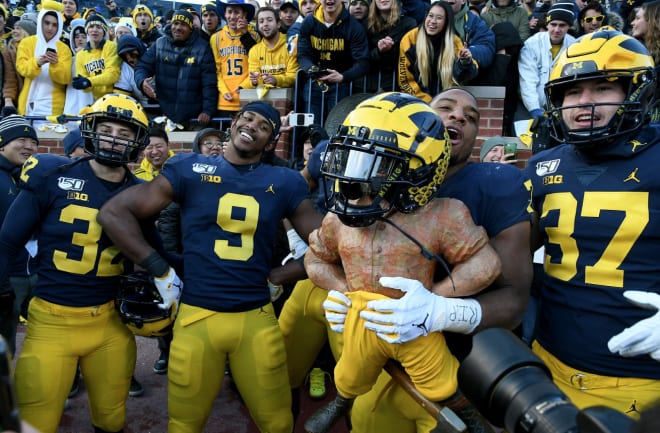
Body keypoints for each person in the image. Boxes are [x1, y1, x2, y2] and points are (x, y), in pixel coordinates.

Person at [97, 101, 323, 433]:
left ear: (272, 142)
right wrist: (160, 268)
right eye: (248, 118)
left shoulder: (285, 181)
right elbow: (113, 213)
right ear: (234, 122)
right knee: (184, 424)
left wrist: (282, 274)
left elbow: (327, 246)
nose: (252, 126)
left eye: (264, 126)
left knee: (277, 422)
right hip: (197, 317)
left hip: (255, 318)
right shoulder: (189, 168)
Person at [301, 92, 502, 433]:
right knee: (349, 374)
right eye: (353, 158)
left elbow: (486, 264)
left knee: (440, 379)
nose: (354, 176)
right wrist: (344, 291)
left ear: (420, 171)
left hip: (414, 327)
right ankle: (341, 402)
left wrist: (435, 303)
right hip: (362, 319)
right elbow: (316, 258)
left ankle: (469, 416)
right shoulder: (338, 218)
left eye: (376, 165)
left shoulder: (445, 215)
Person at [348, 87, 532, 433]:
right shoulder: (377, 177)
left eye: (471, 117)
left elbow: (513, 302)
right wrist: (345, 293)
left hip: (462, 370)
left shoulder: (497, 183)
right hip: (385, 362)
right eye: (445, 108)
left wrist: (439, 309)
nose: (459, 116)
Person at [525, 29, 660, 418]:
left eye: (602, 88)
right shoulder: (542, 166)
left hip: (638, 381)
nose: (583, 104)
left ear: (635, 93)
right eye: (572, 92)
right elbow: (510, 257)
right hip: (545, 366)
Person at [0, 93, 151, 433]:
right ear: (90, 130)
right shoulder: (51, 174)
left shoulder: (143, 192)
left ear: (137, 141)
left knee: (112, 418)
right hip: (51, 322)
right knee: (35, 422)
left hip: (110, 323)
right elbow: (7, 240)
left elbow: (153, 253)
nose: (114, 138)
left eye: (124, 133)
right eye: (107, 128)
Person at [135, 9, 218, 130]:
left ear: (191, 29)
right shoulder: (159, 44)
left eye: (183, 24)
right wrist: (142, 82)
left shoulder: (203, 47)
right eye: (175, 23)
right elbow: (142, 67)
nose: (178, 28)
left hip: (194, 118)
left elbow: (209, 83)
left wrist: (208, 110)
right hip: (164, 114)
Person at [0, 113, 38, 356]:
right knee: (4, 344)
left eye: (33, 141)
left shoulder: (29, 175)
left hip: (34, 272)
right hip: (6, 276)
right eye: (21, 140)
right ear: (2, 143)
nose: (29, 146)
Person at [296, 0, 369, 123]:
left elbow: (363, 62)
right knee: (311, 129)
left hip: (341, 84)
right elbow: (303, 55)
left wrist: (342, 77)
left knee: (337, 129)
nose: (330, 0)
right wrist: (313, 70)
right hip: (314, 82)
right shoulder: (308, 23)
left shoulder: (353, 26)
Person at [398, 1, 477, 102]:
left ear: (446, 22)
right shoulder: (410, 39)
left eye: (439, 18)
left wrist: (465, 62)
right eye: (430, 16)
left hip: (444, 103)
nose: (433, 21)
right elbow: (405, 81)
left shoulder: (455, 42)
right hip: (417, 103)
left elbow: (464, 77)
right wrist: (428, 102)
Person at [16, 0, 73, 121]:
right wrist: (36, 62)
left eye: (54, 24)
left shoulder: (64, 49)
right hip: (27, 104)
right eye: (46, 23)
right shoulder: (27, 43)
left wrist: (56, 65)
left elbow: (66, 78)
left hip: (53, 107)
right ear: (40, 22)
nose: (50, 28)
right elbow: (22, 68)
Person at [518, 2, 575, 120]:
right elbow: (528, 81)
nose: (556, 29)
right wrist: (535, 110)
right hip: (530, 106)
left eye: (562, 25)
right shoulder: (531, 44)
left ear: (569, 26)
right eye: (553, 24)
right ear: (547, 24)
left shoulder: (575, 46)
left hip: (562, 108)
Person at [211, 0, 259, 117]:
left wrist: (245, 34)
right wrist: (224, 90)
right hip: (224, 101)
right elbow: (216, 71)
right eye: (229, 12)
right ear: (225, 14)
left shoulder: (255, 35)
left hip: (248, 98)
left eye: (236, 12)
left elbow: (257, 63)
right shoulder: (216, 38)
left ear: (244, 14)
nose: (232, 16)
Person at [240, 6, 299, 90]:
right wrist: (253, 82)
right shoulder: (254, 50)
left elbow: (294, 77)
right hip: (264, 99)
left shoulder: (291, 44)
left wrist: (276, 80)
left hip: (290, 99)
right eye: (261, 21)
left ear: (278, 24)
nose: (265, 24)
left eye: (269, 20)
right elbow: (254, 78)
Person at [365, 0, 416, 92]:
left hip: (399, 85)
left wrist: (391, 49)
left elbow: (411, 56)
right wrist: (379, 51)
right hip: (370, 85)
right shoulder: (366, 25)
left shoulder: (409, 23)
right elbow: (363, 57)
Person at [72, 14, 121, 101]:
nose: (94, 30)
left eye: (98, 27)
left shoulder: (111, 46)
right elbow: (85, 86)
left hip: (115, 97)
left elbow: (113, 75)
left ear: (104, 31)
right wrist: (82, 84)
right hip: (96, 101)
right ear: (87, 31)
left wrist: (89, 82)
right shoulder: (81, 55)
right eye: (91, 27)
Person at [3, 13, 37, 109]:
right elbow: (10, 79)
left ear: (28, 32)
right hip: (18, 100)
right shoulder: (9, 51)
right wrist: (8, 100)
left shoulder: (38, 49)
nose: (14, 31)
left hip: (37, 97)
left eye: (18, 28)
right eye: (14, 28)